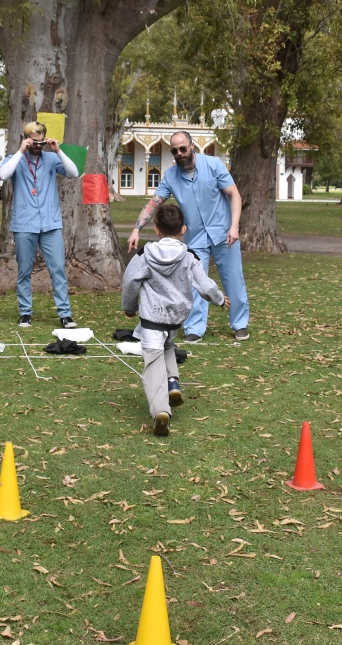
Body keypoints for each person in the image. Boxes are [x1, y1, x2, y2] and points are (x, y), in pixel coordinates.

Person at [127, 131, 249, 342]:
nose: (179, 153)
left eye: (183, 148)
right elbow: (154, 203)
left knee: (233, 278)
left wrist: (234, 226)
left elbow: (234, 194)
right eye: (175, 150)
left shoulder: (213, 165)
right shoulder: (171, 176)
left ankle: (239, 324)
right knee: (194, 281)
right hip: (196, 237)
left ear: (192, 146)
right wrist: (136, 229)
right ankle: (195, 328)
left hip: (223, 233)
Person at [122, 204, 227, 436]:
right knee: (168, 344)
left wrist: (129, 307)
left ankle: (161, 411)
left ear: (157, 229)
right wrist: (219, 299)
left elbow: (130, 281)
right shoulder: (190, 256)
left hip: (152, 320)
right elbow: (205, 284)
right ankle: (173, 383)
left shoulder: (144, 255)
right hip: (174, 321)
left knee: (152, 365)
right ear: (183, 230)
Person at [0, 121, 80, 329]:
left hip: (50, 224)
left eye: (40, 141)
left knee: (58, 269)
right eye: (33, 141)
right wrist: (19, 151)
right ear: (25, 139)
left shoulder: (51, 158)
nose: (37, 145)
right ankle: (25, 312)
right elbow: (3, 175)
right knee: (24, 270)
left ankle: (65, 314)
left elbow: (74, 173)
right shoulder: (14, 159)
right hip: (25, 224)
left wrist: (58, 151)